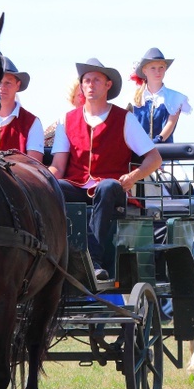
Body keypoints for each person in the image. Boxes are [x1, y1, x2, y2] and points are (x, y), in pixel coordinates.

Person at [50, 58, 163, 281]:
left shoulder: (124, 118)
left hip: (113, 189)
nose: (91, 85)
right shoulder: (67, 120)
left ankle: (92, 260)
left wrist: (133, 176)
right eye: (87, 80)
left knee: (107, 186)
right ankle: (60, 256)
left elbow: (154, 158)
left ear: (107, 85)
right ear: (81, 86)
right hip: (77, 185)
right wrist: (42, 183)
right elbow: (58, 166)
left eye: (97, 80)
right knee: (55, 188)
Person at [0, 56, 45, 162]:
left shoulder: (32, 123)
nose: (2, 87)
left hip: (17, 178)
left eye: (8, 83)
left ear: (18, 85)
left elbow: (35, 168)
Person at [129, 47, 191, 143]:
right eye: (153, 68)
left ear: (165, 69)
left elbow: (170, 123)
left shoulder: (175, 98)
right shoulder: (132, 98)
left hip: (165, 153)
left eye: (161, 67)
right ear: (145, 71)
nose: (157, 71)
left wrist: (158, 140)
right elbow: (128, 126)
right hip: (138, 153)